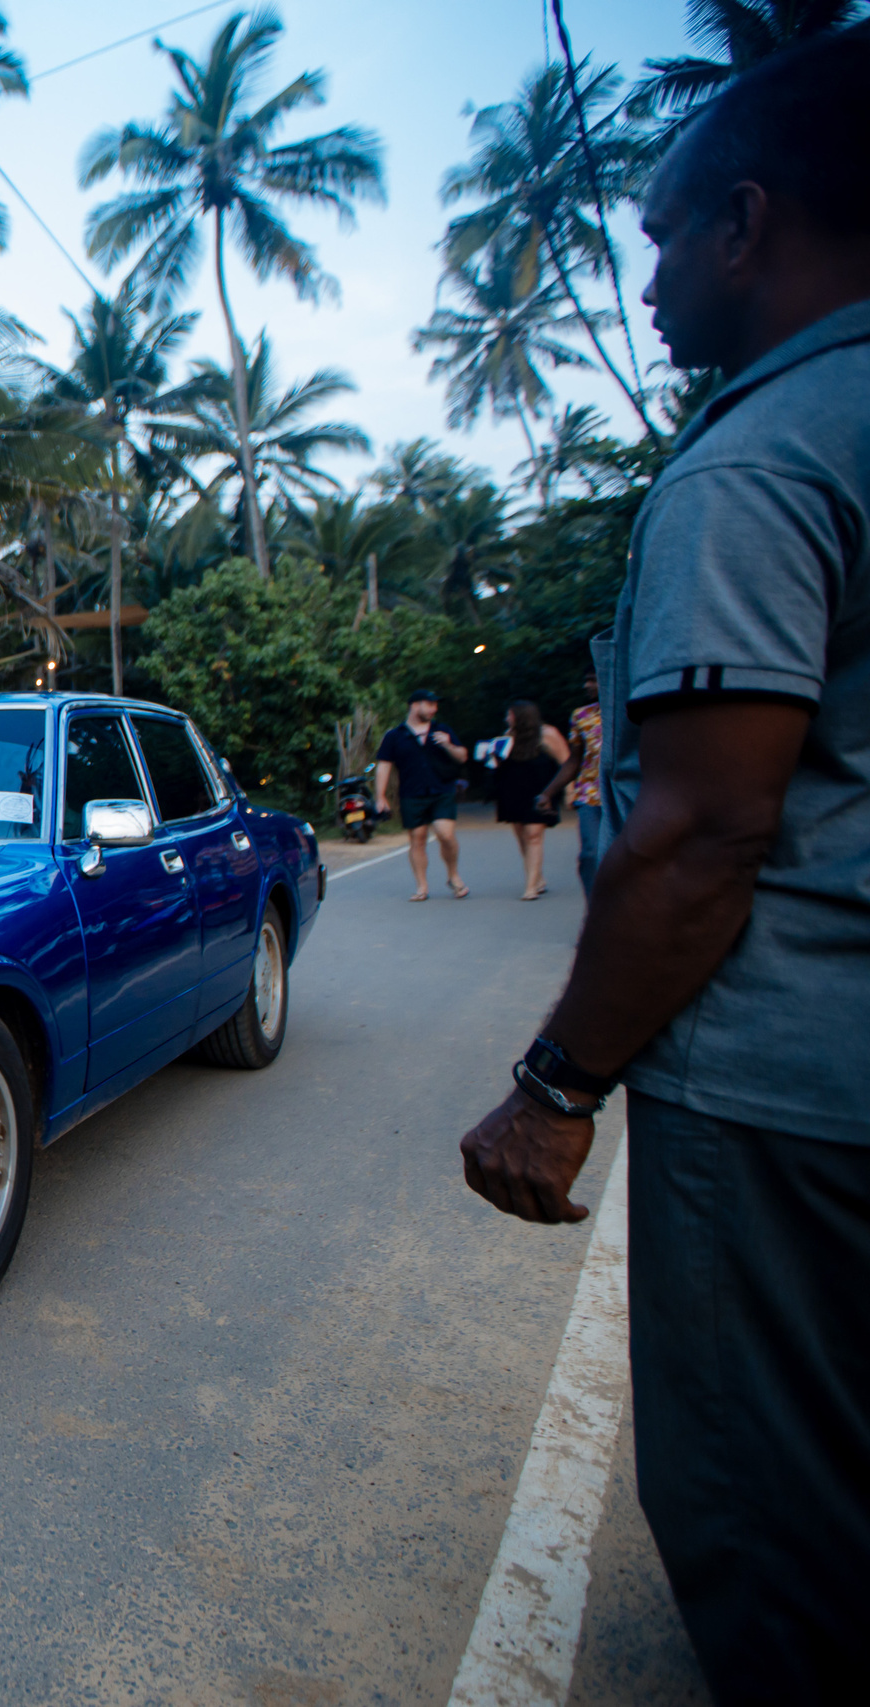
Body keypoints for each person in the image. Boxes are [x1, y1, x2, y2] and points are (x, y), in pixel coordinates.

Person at [456, 29, 870, 1702]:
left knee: (774, 1513)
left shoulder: (760, 461)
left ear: (745, 224)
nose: (642, 287)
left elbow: (703, 829)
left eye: (655, 241)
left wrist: (558, 1082)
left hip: (781, 1088)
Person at [371, 689, 469, 900]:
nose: (434, 709)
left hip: (442, 790)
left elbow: (462, 756)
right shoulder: (394, 736)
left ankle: (453, 875)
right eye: (429, 704)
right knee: (417, 838)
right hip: (412, 793)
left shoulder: (442, 730)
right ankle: (422, 886)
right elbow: (384, 766)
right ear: (414, 705)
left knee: (446, 834)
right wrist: (380, 796)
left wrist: (447, 744)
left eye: (435, 705)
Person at [492, 700, 570, 901]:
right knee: (522, 836)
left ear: (522, 716)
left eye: (511, 715)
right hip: (513, 792)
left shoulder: (547, 734)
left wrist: (570, 790)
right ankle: (538, 878)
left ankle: (530, 887)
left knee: (533, 834)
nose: (507, 719)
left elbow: (565, 761)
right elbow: (496, 766)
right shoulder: (508, 737)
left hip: (540, 792)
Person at [538, 673, 606, 893]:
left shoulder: (633, 710)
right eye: (586, 679)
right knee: (591, 853)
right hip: (591, 794)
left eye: (593, 679)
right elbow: (574, 760)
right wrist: (548, 793)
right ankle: (595, 909)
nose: (587, 685)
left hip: (628, 793)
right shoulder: (581, 715)